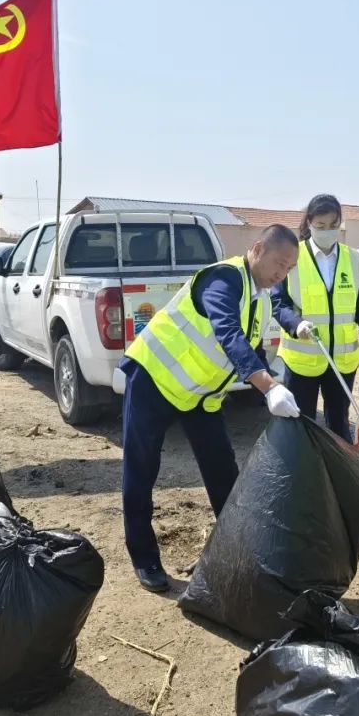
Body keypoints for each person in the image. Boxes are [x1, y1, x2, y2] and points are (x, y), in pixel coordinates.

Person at [119, 225, 302, 592]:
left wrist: (273, 386)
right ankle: (145, 559)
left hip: (200, 396)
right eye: (279, 264)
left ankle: (239, 547)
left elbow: (249, 348)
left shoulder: (261, 297)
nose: (281, 274)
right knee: (142, 469)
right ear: (256, 249)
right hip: (154, 379)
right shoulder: (224, 280)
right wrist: (266, 386)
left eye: (288, 269)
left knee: (222, 468)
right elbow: (228, 333)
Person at [272, 194, 359, 442]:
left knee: (339, 426)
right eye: (320, 226)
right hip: (302, 360)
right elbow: (278, 302)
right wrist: (296, 324)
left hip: (341, 362)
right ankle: (303, 478)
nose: (326, 231)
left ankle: (339, 476)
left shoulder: (353, 258)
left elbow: (358, 308)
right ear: (309, 223)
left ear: (340, 224)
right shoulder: (294, 255)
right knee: (301, 426)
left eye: (333, 226)